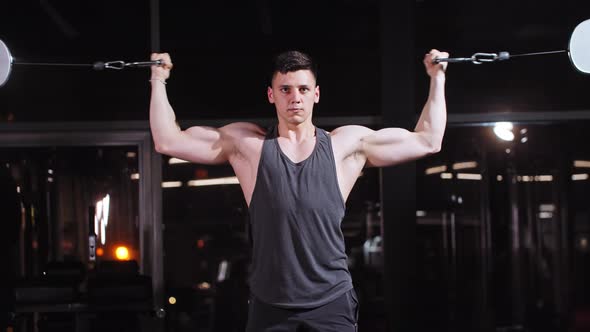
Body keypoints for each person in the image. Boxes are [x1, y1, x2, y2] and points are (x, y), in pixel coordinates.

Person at [149, 49, 448, 331]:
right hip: (270, 303)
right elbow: (168, 141)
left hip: (331, 301)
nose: (295, 98)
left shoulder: (345, 146)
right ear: (271, 95)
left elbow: (428, 140)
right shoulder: (248, 146)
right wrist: (158, 79)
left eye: (303, 89)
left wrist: (437, 77)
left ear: (316, 94)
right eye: (285, 89)